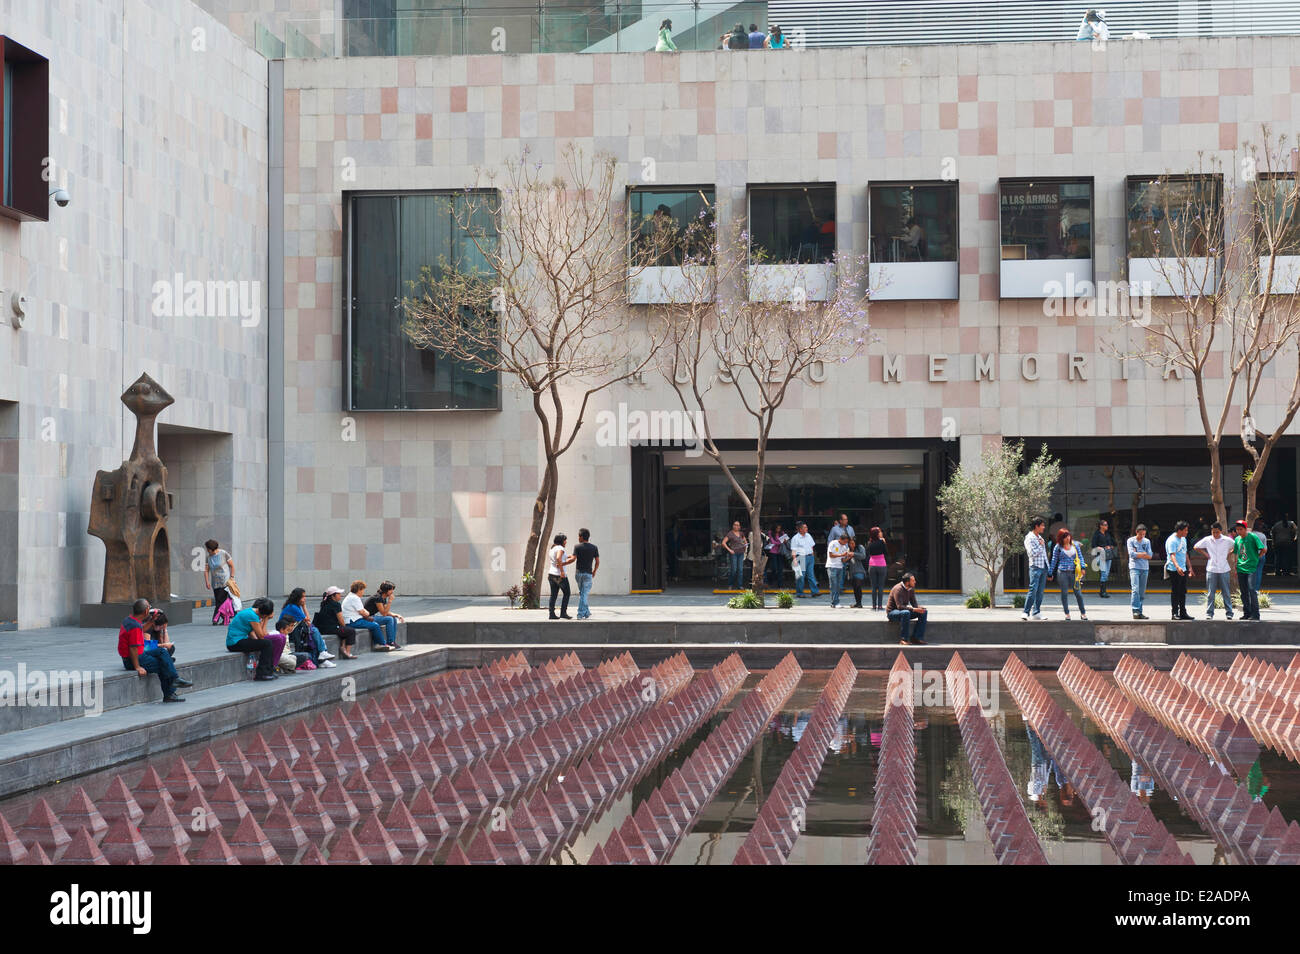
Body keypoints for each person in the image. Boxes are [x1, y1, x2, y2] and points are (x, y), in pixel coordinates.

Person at [119, 599, 191, 702]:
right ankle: (170, 693)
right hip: (133, 659)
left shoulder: (130, 620)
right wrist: (137, 667)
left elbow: (141, 629)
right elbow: (133, 648)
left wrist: (152, 621)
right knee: (163, 664)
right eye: (149, 607)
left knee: (162, 652)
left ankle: (174, 680)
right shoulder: (134, 626)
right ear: (145, 611)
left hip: (140, 653)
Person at [226, 596, 280, 681]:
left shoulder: (251, 612)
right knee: (267, 644)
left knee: (266, 643)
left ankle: (269, 671)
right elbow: (261, 636)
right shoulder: (252, 616)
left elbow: (251, 632)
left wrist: (257, 643)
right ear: (265, 614)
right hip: (235, 643)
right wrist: (266, 620)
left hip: (237, 641)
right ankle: (262, 673)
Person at [283, 587, 337, 668]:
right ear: (298, 597)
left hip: (295, 630)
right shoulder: (292, 607)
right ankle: (322, 656)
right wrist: (304, 606)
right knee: (313, 631)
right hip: (289, 631)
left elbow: (307, 622)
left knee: (313, 634)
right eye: (303, 597)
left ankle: (322, 658)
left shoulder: (295, 606)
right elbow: (308, 620)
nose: (305, 599)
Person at [1194, 522, 1235, 620]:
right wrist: (1206, 554)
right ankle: (1209, 613)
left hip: (1224, 568)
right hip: (1211, 568)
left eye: (1217, 532)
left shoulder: (1227, 540)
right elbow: (1196, 547)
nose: (1215, 534)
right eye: (1213, 532)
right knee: (1210, 593)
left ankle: (1229, 613)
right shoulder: (1207, 539)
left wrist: (1229, 554)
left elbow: (1236, 546)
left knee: (1226, 592)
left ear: (1221, 531)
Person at [343, 580, 397, 650]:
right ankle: (382, 644)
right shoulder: (355, 598)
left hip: (355, 619)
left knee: (391, 619)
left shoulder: (352, 596)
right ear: (359, 589)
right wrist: (390, 601)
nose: (363, 592)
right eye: (363, 590)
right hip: (353, 621)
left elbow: (362, 610)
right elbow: (364, 612)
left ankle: (389, 642)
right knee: (375, 625)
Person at [1048, 529, 1087, 620]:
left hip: (1074, 572)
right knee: (1064, 593)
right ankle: (1067, 613)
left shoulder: (1075, 545)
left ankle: (1083, 613)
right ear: (1061, 538)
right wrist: (1050, 573)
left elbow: (1080, 557)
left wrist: (1083, 567)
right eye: (1065, 537)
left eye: (1068, 536)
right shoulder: (1058, 547)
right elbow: (1054, 560)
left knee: (1078, 593)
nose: (1067, 538)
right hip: (1062, 572)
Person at [313, 586, 358, 659]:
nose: (340, 595)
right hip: (331, 628)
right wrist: (345, 626)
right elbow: (341, 621)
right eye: (339, 594)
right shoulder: (336, 605)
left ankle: (343, 647)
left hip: (321, 628)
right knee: (351, 631)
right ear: (333, 596)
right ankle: (347, 652)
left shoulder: (324, 603)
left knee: (344, 630)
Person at [885, 572, 927, 646]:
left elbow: (914, 603)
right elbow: (899, 606)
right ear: (907, 582)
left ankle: (917, 638)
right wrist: (914, 609)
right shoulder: (898, 589)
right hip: (892, 613)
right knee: (906, 612)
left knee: (923, 612)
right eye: (913, 580)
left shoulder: (911, 589)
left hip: (903, 612)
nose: (915, 582)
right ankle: (903, 639)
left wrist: (919, 608)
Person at [1233, 520, 1263, 621]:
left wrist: (1257, 558)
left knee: (1251, 590)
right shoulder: (1237, 539)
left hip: (1251, 568)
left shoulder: (1253, 537)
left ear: (1245, 529)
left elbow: (1263, 549)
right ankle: (1247, 613)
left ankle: (1255, 614)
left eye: (1241, 529)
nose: (1239, 531)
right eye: (1237, 530)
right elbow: (1236, 552)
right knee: (1243, 592)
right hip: (1241, 568)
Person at [1165, 520, 1194, 621]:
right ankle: (1174, 613)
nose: (1187, 532)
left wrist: (1189, 567)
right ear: (1179, 530)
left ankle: (1183, 612)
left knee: (1183, 591)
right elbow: (1172, 555)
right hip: (1174, 569)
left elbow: (1185, 554)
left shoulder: (1183, 539)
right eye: (1185, 530)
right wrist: (1177, 567)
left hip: (1183, 568)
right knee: (1176, 591)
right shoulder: (1172, 540)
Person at [203, 539, 235, 625]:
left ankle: (215, 618)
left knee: (219, 601)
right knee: (220, 600)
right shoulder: (208, 557)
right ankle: (226, 618)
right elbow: (206, 570)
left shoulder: (223, 553)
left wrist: (232, 577)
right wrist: (207, 581)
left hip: (225, 581)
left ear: (212, 548)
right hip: (215, 582)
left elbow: (231, 566)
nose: (207, 550)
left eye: (208, 549)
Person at [1022, 517, 1049, 621]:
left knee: (1040, 592)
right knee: (1033, 590)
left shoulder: (1040, 538)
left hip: (1043, 567)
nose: (1044, 527)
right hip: (1035, 567)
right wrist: (1041, 546)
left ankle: (1036, 612)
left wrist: (1048, 568)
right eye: (1042, 525)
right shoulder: (1029, 538)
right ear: (1036, 526)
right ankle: (1025, 612)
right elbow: (1031, 553)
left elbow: (1044, 555)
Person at [365, 581, 404, 649]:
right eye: (391, 589)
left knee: (393, 618)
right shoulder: (378, 598)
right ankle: (390, 642)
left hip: (372, 617)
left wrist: (397, 615)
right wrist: (390, 601)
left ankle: (392, 641)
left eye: (393, 589)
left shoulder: (383, 597)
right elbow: (384, 613)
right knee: (389, 619)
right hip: (367, 618)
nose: (392, 591)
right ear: (386, 590)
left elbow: (386, 611)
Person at [1127, 524, 1153, 619]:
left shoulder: (1147, 541)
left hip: (1144, 568)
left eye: (1144, 534)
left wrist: (1138, 554)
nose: (1142, 536)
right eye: (1141, 534)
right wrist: (1143, 554)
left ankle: (1140, 611)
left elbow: (1150, 556)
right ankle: (1135, 610)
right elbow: (1131, 554)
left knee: (1142, 592)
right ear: (1136, 532)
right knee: (1135, 589)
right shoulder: (1130, 540)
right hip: (1134, 567)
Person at [574, 528, 600, 620]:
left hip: (578, 574)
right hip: (588, 574)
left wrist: (563, 562)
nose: (578, 538)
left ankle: (586, 612)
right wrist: (594, 571)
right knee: (584, 594)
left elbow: (573, 558)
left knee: (582, 594)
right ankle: (580, 614)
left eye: (578, 536)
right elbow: (597, 562)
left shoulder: (577, 547)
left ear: (581, 537)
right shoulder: (594, 547)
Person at [548, 533, 576, 620]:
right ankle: (563, 613)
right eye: (565, 540)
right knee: (567, 593)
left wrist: (568, 556)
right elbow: (559, 558)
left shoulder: (552, 549)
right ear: (561, 541)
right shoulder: (560, 548)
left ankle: (551, 614)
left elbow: (559, 558)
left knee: (553, 595)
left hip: (551, 575)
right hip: (559, 575)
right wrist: (562, 571)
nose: (566, 542)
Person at [790, 522, 818, 597]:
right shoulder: (795, 538)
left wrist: (812, 555)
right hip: (801, 558)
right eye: (805, 527)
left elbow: (812, 546)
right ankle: (800, 593)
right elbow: (793, 550)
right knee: (801, 576)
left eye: (806, 527)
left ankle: (814, 591)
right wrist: (794, 559)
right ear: (800, 529)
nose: (806, 529)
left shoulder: (808, 535)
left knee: (811, 575)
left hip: (810, 557)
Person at [1090, 518, 1117, 598]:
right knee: (1104, 573)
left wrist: (1110, 547)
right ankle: (1103, 592)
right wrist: (1101, 548)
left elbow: (1113, 543)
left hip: (1108, 556)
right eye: (1105, 525)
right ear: (1101, 526)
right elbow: (1093, 546)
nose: (1107, 526)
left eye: (1107, 525)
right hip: (1100, 556)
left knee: (1106, 573)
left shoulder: (1107, 534)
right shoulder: (1097, 534)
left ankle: (1103, 591)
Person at [865, 527, 889, 610]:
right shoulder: (882, 542)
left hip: (872, 565)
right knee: (881, 587)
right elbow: (886, 552)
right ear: (877, 534)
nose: (881, 532)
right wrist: (884, 543)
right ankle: (880, 605)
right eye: (880, 531)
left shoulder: (869, 543)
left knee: (874, 587)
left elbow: (867, 553)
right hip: (881, 564)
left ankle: (874, 605)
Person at [826, 533, 850, 609]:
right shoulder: (833, 543)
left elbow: (843, 560)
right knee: (833, 585)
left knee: (838, 585)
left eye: (846, 542)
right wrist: (841, 554)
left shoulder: (844, 546)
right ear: (840, 539)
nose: (845, 543)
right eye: (844, 542)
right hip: (832, 566)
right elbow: (831, 555)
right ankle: (835, 602)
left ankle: (835, 602)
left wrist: (848, 556)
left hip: (840, 567)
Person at [723, 521, 748, 589]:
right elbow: (723, 543)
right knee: (734, 570)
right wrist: (730, 550)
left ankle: (740, 585)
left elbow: (745, 542)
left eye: (738, 525)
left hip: (741, 553)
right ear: (733, 526)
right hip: (734, 554)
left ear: (739, 527)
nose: (736, 526)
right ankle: (730, 584)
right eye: (735, 525)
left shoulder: (741, 533)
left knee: (740, 570)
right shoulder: (730, 533)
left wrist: (745, 547)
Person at [847, 538, 868, 609]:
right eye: (850, 543)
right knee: (855, 588)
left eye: (853, 543)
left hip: (860, 570)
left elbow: (863, 556)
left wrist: (853, 554)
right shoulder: (848, 549)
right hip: (852, 571)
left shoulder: (860, 547)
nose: (851, 545)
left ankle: (860, 603)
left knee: (858, 586)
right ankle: (857, 603)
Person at [1251, 521, 1269, 591]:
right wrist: (1260, 555)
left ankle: (1250, 589)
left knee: (1250, 573)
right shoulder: (1263, 535)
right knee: (1259, 572)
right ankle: (1256, 589)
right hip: (1261, 556)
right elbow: (1265, 549)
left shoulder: (1250, 535)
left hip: (1252, 556)